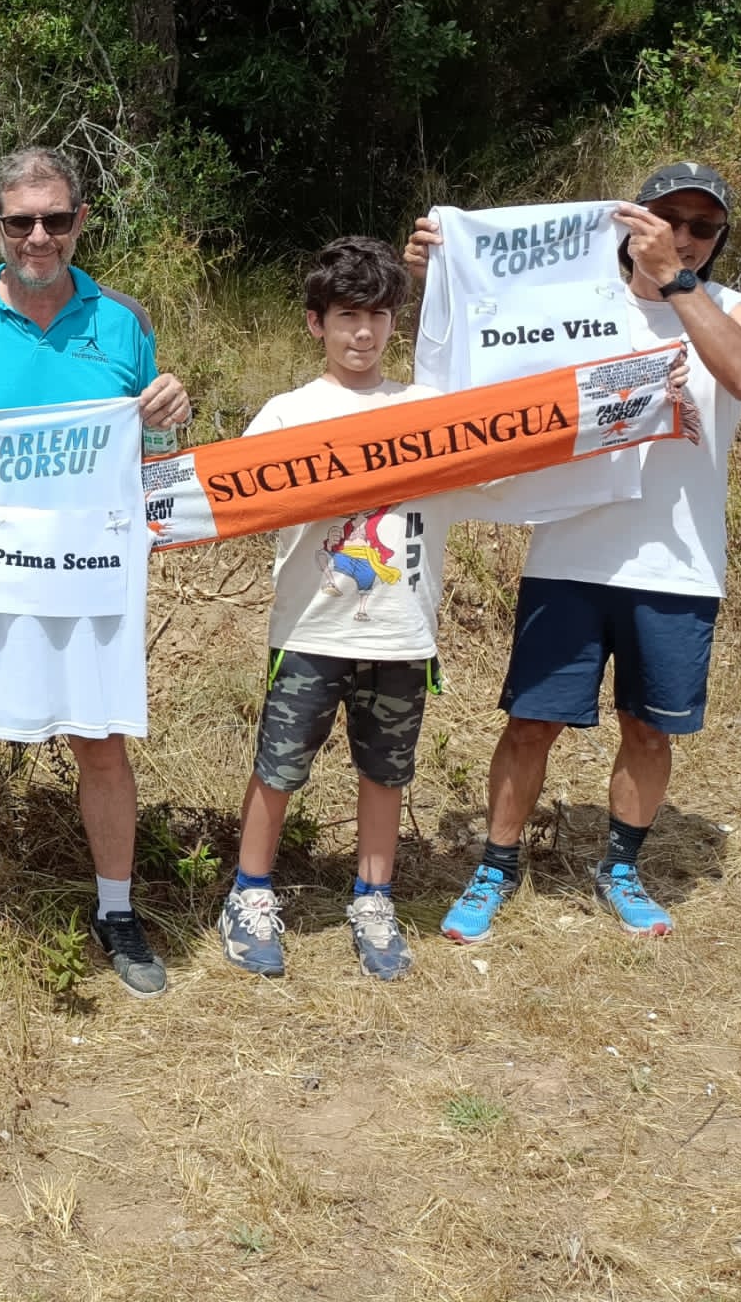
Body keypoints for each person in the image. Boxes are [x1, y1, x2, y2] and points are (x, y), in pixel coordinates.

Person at [403, 163, 741, 940]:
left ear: (719, 239)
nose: (684, 236)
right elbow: (485, 354)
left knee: (648, 728)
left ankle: (621, 870)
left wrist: (677, 283)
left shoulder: (738, 310)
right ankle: (495, 867)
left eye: (703, 227)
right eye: (666, 220)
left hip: (678, 564)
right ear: (630, 223)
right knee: (530, 722)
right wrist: (444, 280)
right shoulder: (578, 304)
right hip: (568, 555)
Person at [0, 146, 192, 1011]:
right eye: (21, 221)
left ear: (80, 221)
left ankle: (117, 911)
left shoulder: (123, 322)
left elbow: (158, 458)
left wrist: (171, 420)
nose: (39, 236)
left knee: (101, 741)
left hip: (92, 574)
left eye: (56, 218)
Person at [218, 238, 446, 983]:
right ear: (317, 322)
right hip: (311, 628)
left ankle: (374, 899)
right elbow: (228, 497)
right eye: (348, 315)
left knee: (386, 771)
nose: (363, 332)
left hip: (401, 630)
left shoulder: (428, 409)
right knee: (279, 766)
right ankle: (250, 893)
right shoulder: (288, 413)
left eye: (378, 315)